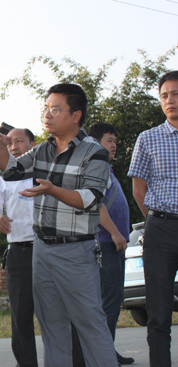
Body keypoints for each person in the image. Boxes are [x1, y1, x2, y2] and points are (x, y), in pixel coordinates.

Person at [0, 83, 118, 366]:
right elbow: (11, 171)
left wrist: (52, 189)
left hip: (76, 252)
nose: (47, 115)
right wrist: (0, 150)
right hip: (42, 250)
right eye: (46, 108)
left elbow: (92, 199)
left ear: (76, 115)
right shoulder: (43, 149)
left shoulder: (94, 153)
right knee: (52, 327)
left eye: (56, 110)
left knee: (91, 327)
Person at [71, 122, 134, 366]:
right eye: (110, 140)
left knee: (112, 298)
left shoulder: (107, 169)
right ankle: (101, 354)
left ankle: (107, 349)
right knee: (108, 298)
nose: (114, 145)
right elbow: (96, 204)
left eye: (115, 141)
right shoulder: (97, 169)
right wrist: (116, 233)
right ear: (96, 143)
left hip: (113, 244)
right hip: (106, 243)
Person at [128, 70, 178, 367]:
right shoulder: (148, 138)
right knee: (158, 313)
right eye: (164, 95)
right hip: (160, 229)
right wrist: (157, 220)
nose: (170, 100)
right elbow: (138, 190)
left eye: (175, 94)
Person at [0, 128, 38, 367]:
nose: (14, 147)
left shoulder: (47, 172)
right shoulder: (3, 181)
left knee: (58, 314)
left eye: (19, 141)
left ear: (33, 144)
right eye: (10, 143)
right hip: (19, 254)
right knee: (21, 316)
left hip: (49, 250)